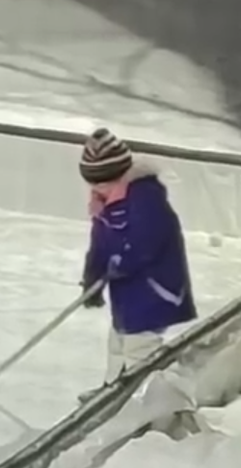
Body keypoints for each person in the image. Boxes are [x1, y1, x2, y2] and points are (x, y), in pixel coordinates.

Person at [78, 129, 196, 383]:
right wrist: (92, 276)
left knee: (140, 346)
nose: (97, 189)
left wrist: (120, 261)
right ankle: (112, 389)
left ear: (120, 175)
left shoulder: (146, 198)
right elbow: (99, 244)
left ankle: (148, 394)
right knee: (119, 339)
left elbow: (146, 243)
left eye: (103, 183)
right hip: (128, 290)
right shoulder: (104, 201)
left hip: (154, 286)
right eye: (92, 183)